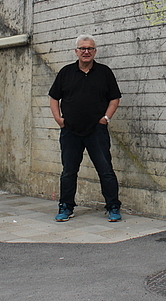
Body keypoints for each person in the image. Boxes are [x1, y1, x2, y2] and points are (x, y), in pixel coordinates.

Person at [49, 34, 122, 222]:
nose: (86, 51)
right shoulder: (66, 72)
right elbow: (54, 97)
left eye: (90, 48)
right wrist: (58, 118)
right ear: (76, 51)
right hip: (70, 131)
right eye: (82, 48)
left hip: (96, 131)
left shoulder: (104, 72)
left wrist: (106, 118)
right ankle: (66, 207)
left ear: (95, 51)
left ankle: (113, 206)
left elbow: (115, 98)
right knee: (69, 171)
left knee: (105, 169)